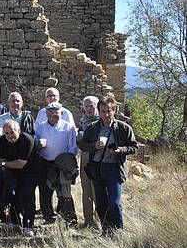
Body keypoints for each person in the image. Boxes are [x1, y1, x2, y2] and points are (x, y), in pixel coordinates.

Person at [79, 96, 138, 235]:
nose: (106, 114)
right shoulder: (92, 128)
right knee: (101, 203)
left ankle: (118, 232)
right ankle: (106, 230)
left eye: (109, 111)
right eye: (103, 111)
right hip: (97, 168)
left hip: (114, 168)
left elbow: (134, 147)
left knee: (115, 203)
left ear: (115, 110)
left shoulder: (123, 128)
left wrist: (120, 150)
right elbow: (82, 146)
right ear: (98, 111)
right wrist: (94, 145)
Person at [0, 119, 36, 236]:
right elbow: (3, 159)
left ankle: (28, 225)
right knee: (12, 193)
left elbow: (21, 163)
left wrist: (0, 164)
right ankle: (14, 221)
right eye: (7, 133)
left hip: (30, 171)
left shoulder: (27, 140)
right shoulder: (3, 140)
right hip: (13, 171)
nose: (10, 136)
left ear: (19, 130)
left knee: (27, 194)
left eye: (12, 132)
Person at [35, 101, 79, 226]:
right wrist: (39, 146)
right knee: (45, 191)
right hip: (45, 163)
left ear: (62, 113)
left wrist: (66, 163)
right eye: (51, 113)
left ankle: (67, 218)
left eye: (57, 113)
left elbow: (73, 148)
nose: (54, 116)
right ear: (46, 113)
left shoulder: (68, 127)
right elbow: (36, 146)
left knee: (64, 192)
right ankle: (48, 217)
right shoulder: (41, 127)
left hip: (62, 165)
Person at [77, 95, 100, 229]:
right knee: (86, 189)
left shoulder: (101, 122)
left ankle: (98, 219)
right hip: (85, 157)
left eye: (91, 106)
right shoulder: (83, 121)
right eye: (86, 106)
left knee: (96, 189)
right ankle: (88, 220)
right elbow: (80, 143)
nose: (89, 109)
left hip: (97, 158)